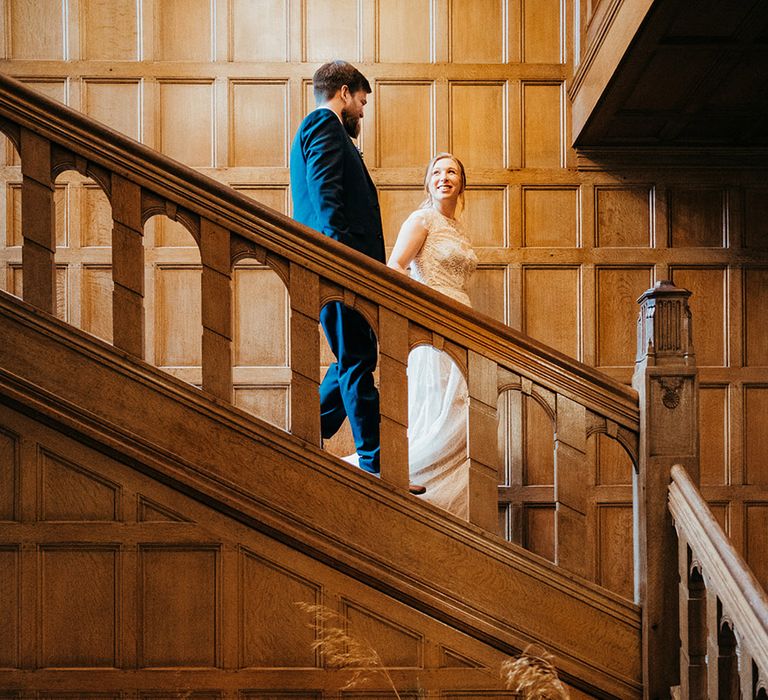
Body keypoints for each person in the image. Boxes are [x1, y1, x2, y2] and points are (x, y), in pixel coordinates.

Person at [290, 60, 426, 495]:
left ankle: (301, 434)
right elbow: (327, 197)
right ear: (345, 92)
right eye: (363, 101)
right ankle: (377, 465)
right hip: (339, 268)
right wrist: (345, 265)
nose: (363, 112)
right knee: (358, 360)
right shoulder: (323, 127)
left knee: (354, 358)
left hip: (340, 268)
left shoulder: (323, 130)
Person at [386, 153, 478, 517]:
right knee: (434, 406)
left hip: (464, 321)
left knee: (459, 409)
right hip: (432, 321)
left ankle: (450, 505)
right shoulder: (421, 219)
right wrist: (422, 309)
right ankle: (414, 489)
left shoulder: (457, 228)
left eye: (452, 171)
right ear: (428, 182)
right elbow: (395, 264)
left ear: (461, 183)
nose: (444, 177)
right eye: (437, 172)